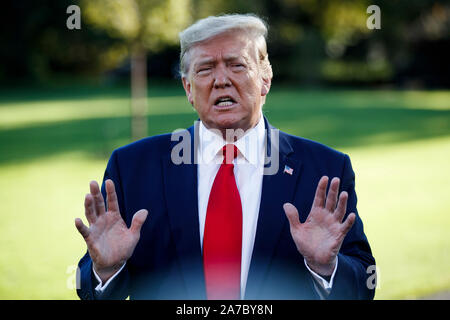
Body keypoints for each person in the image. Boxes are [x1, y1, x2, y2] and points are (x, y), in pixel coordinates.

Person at [75, 13, 375, 300]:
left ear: (265, 79)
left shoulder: (324, 171)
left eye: (237, 65)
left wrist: (326, 267)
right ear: (188, 88)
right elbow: (91, 288)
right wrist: (106, 270)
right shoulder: (132, 169)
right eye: (205, 69)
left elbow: (364, 287)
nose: (221, 80)